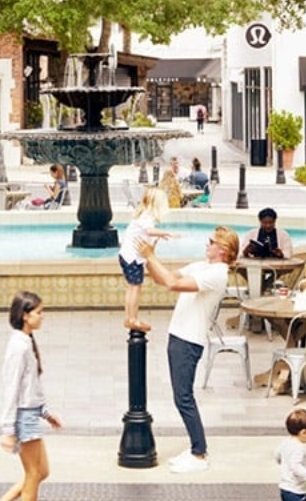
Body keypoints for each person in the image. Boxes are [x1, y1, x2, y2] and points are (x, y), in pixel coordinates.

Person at [136, 226, 240, 474]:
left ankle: (199, 453)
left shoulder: (217, 274)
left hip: (189, 341)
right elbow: (165, 278)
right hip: (178, 335)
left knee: (183, 398)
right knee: (181, 396)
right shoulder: (201, 265)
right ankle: (196, 448)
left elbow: (172, 284)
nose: (207, 244)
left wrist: (150, 256)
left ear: (223, 250)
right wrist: (147, 258)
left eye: (211, 241)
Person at [0, 291, 62, 501]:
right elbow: (12, 388)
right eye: (38, 312)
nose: (42, 316)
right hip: (24, 417)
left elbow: (30, 386)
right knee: (33, 473)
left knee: (41, 471)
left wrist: (45, 413)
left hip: (31, 414)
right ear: (25, 315)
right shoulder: (18, 346)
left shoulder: (25, 341)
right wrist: (8, 430)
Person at [117, 188, 175, 332]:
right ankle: (132, 319)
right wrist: (165, 233)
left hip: (128, 256)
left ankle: (130, 317)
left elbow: (149, 243)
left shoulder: (143, 215)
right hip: (132, 258)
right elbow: (149, 232)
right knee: (135, 287)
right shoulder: (146, 217)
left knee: (133, 287)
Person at [275, 408, 306, 501]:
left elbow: (277, 455)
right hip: (296, 490)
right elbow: (296, 466)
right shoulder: (299, 447)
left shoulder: (286, 442)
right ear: (304, 432)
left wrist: (283, 462)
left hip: (285, 487)